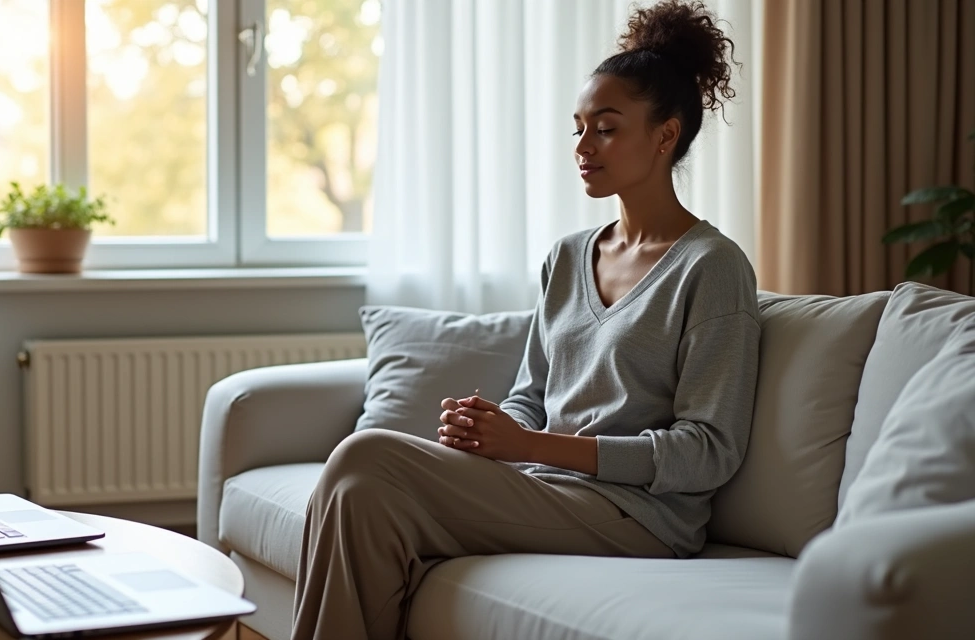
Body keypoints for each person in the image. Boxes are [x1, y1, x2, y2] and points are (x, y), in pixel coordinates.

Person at [292, 2, 759, 639]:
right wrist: (493, 431)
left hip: (638, 518)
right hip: (545, 487)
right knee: (361, 493)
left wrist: (532, 447)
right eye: (578, 128)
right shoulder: (567, 257)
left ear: (666, 135)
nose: (583, 147)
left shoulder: (713, 268)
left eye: (606, 128)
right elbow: (531, 397)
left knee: (366, 460)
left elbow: (708, 452)